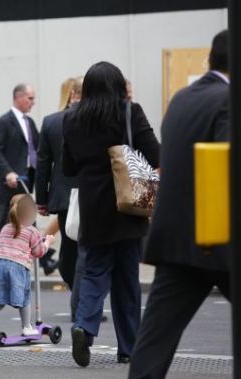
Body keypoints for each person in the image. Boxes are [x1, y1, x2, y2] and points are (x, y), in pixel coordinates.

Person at [129, 30, 230, 379]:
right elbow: (226, 166)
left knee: (156, 337)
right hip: (219, 237)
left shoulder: (182, 98)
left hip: (175, 238)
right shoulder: (228, 100)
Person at [62, 61, 160, 367]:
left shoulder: (73, 118)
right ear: (119, 85)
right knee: (127, 280)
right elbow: (155, 154)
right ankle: (129, 348)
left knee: (93, 271)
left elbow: (68, 167)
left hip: (93, 208)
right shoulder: (130, 111)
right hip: (128, 206)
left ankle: (83, 326)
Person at [0, 84, 56, 274]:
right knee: (3, 223)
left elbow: (38, 149)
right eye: (30, 98)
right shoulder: (4, 122)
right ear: (19, 97)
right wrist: (8, 172)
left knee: (28, 221)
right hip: (9, 183)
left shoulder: (29, 123)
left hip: (25, 180)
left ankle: (44, 260)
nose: (33, 102)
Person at [0, 194, 55, 338]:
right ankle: (27, 327)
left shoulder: (5, 228)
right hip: (17, 267)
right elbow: (39, 251)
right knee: (24, 298)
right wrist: (48, 242)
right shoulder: (31, 231)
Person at [36, 76, 82, 316]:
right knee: (88, 250)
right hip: (91, 195)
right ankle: (83, 301)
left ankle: (78, 294)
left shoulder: (51, 122)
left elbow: (43, 164)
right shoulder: (95, 121)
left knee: (69, 250)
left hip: (64, 197)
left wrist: (41, 199)